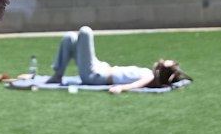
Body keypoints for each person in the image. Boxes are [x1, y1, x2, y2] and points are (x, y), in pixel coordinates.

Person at [45, 26, 190, 93]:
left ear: (160, 71)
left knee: (85, 32)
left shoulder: (149, 76)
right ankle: (58, 75)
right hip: (99, 67)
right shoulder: (148, 73)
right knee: (70, 37)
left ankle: (58, 75)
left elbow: (138, 84)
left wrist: (121, 88)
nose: (159, 61)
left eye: (161, 63)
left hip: (94, 76)